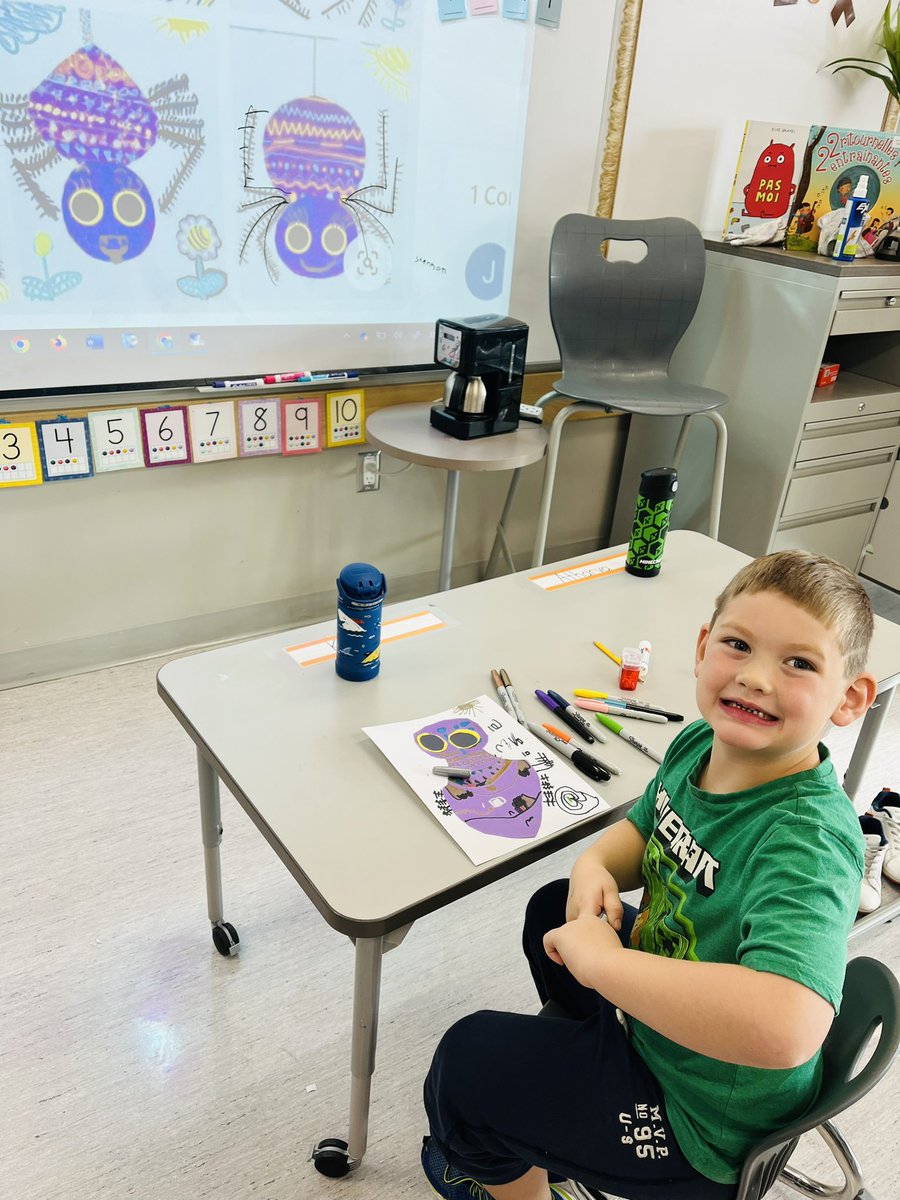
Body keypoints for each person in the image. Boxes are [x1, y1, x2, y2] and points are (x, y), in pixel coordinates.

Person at [421, 550, 877, 1200]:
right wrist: (595, 863)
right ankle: (562, 1098)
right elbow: (646, 827)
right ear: (702, 647)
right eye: (738, 645)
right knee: (557, 905)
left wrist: (605, 966)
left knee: (464, 1070)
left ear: (851, 698)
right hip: (672, 1025)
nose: (754, 678)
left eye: (799, 663)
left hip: (701, 1122)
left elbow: (788, 1027)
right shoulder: (702, 742)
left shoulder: (805, 839)